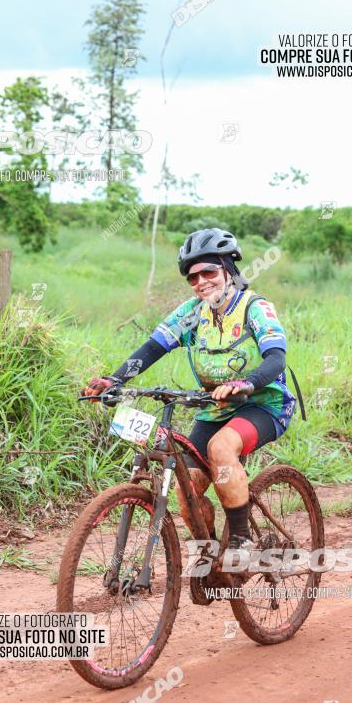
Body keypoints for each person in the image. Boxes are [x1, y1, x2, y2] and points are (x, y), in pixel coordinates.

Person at [84, 227, 296, 551]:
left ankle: (241, 544)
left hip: (262, 404)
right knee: (187, 489)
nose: (201, 282)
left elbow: (276, 359)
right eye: (192, 277)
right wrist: (115, 381)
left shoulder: (254, 307)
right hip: (216, 408)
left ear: (228, 268)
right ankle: (210, 555)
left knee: (221, 448)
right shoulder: (191, 314)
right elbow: (152, 348)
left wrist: (245, 382)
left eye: (208, 271)